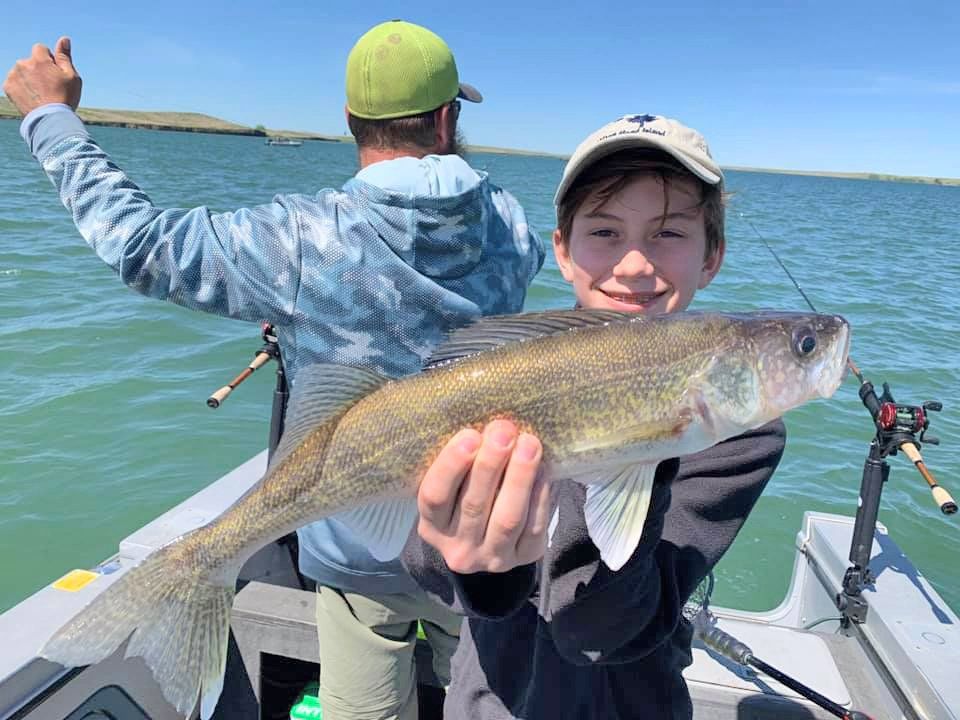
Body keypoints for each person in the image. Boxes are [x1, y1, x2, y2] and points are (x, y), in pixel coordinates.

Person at [3, 20, 545, 720]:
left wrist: (50, 118)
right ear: (447, 119)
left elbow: (142, 245)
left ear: (351, 121)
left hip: (357, 556)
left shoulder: (298, 239)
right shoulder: (511, 222)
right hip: (484, 542)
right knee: (486, 693)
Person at [400, 114, 787, 719]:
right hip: (490, 699)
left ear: (712, 257)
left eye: (669, 233)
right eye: (605, 231)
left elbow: (602, 630)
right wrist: (488, 576)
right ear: (562, 251)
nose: (633, 264)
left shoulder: (741, 427)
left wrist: (651, 442)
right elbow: (426, 566)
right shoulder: (505, 369)